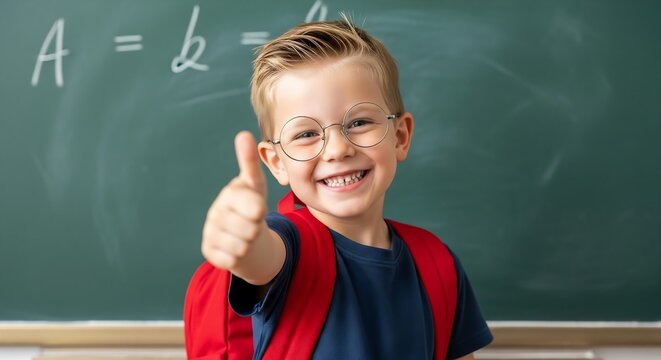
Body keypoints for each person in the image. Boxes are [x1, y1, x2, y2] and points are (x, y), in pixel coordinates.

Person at [198, 16, 493, 359]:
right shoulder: (286, 246)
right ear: (276, 162)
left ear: (400, 136)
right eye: (306, 134)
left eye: (359, 122)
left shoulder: (436, 261)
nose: (338, 149)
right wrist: (241, 241)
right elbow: (260, 258)